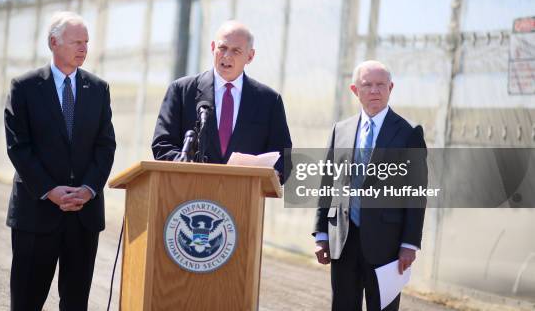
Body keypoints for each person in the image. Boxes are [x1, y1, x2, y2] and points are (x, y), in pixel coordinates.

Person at [4, 11, 116, 311]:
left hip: (83, 214)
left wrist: (90, 188)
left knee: (76, 302)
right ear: (53, 42)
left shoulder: (99, 89)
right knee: (27, 300)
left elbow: (105, 146)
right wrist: (50, 190)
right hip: (36, 212)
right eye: (76, 42)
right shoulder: (25, 87)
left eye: (87, 42)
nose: (83, 48)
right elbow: (19, 147)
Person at [313, 60, 427, 311]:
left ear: (391, 88)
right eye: (367, 85)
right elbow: (327, 184)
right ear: (355, 90)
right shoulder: (340, 130)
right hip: (343, 240)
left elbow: (416, 193)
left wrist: (409, 243)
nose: (374, 91)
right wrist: (322, 234)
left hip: (387, 245)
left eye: (381, 85)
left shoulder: (409, 134)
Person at [152, 20, 292, 182]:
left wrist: (273, 174)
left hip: (244, 196)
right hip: (188, 195)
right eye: (222, 48)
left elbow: (284, 157)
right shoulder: (182, 91)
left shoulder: (268, 101)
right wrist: (186, 166)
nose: (227, 56)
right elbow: (162, 144)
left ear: (250, 56)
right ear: (212, 48)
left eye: (236, 51)